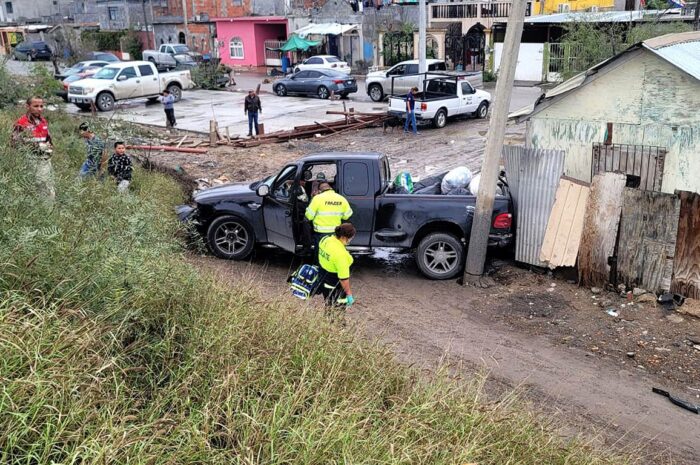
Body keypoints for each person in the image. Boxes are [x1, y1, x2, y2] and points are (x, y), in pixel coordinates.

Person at [12, 96, 55, 201]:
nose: (39, 109)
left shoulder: (43, 121)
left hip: (45, 160)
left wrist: (49, 146)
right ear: (28, 106)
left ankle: (47, 214)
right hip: (30, 160)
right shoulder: (21, 123)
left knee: (48, 188)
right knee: (35, 189)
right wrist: (37, 146)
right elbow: (14, 143)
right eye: (36, 106)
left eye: (41, 106)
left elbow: (49, 140)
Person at [305, 181, 353, 259]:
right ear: (330, 188)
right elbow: (347, 216)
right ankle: (331, 269)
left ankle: (319, 269)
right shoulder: (341, 198)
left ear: (320, 190)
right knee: (332, 253)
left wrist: (308, 208)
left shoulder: (317, 198)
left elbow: (309, 216)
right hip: (336, 233)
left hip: (321, 234)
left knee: (320, 255)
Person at [317, 223, 356, 307]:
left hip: (323, 278)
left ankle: (325, 319)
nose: (351, 239)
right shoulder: (342, 255)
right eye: (351, 237)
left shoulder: (325, 239)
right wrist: (349, 294)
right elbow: (343, 279)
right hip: (334, 285)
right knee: (337, 309)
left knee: (328, 303)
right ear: (344, 237)